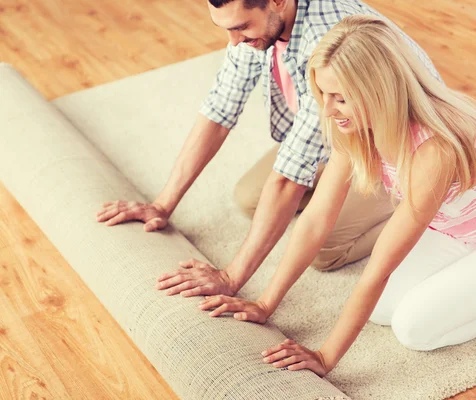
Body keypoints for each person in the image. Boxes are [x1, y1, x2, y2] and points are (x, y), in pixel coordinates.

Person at [198, 15, 476, 377]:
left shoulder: (436, 150)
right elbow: (317, 218)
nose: (328, 110)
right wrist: (266, 304)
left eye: (340, 98)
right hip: (462, 226)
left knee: (414, 329)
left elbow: (380, 265)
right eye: (323, 94)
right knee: (382, 310)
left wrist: (326, 357)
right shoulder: (353, 126)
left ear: (377, 92)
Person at [95, 0, 442, 297]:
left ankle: (426, 208)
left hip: (399, 149)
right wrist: (161, 204)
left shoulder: (324, 37)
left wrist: (231, 278)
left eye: (241, 27)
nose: (233, 41)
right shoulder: (258, 29)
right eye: (226, 29)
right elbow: (219, 110)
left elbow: (290, 177)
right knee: (250, 198)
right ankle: (337, 194)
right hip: (341, 134)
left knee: (325, 249)